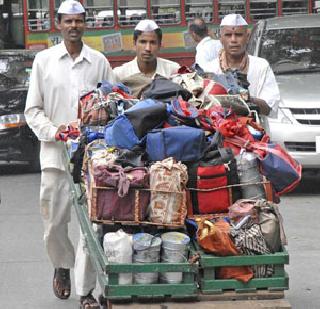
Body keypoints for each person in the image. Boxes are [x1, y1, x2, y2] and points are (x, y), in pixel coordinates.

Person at [24, 1, 115, 308]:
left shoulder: (99, 61)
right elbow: (32, 110)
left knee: (92, 227)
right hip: (54, 157)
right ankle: (62, 264)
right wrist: (54, 131)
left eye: (79, 21)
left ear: (84, 24)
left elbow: (112, 105)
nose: (74, 26)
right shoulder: (44, 61)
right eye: (68, 21)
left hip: (93, 160)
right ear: (58, 24)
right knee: (54, 225)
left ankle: (85, 292)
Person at [208, 13, 280, 118]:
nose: (233, 40)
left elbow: (270, 107)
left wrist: (247, 99)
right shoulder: (210, 69)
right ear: (221, 38)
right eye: (228, 35)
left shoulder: (261, 66)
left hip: (255, 131)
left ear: (247, 37)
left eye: (238, 35)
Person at [113, 19, 180, 97]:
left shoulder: (173, 70)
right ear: (134, 44)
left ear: (159, 45)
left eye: (153, 43)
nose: (148, 48)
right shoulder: (120, 74)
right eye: (143, 42)